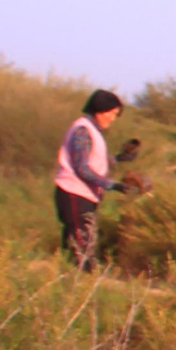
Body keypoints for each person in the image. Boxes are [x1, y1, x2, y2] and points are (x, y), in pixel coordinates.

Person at [52, 90, 123, 268]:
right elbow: (82, 168)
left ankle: (69, 283)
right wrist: (111, 185)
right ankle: (83, 285)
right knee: (83, 248)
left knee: (75, 247)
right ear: (101, 109)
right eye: (112, 113)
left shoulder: (90, 130)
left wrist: (121, 158)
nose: (113, 119)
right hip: (74, 193)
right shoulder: (83, 130)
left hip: (81, 195)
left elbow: (94, 161)